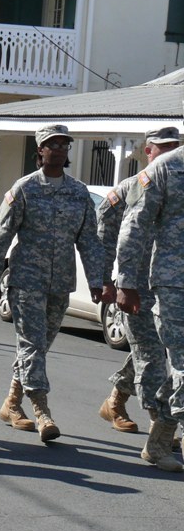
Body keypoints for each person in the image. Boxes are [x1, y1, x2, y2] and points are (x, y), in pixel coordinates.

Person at [0, 125, 104, 442]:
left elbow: (89, 241)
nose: (59, 150)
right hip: (26, 282)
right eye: (52, 145)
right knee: (32, 347)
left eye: (64, 145)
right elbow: (2, 236)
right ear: (39, 150)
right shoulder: (24, 189)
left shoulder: (78, 193)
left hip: (60, 283)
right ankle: (42, 411)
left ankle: (11, 403)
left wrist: (97, 281)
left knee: (38, 348)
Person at [96, 127, 180, 434]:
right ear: (149, 150)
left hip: (169, 287)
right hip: (137, 287)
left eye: (175, 146)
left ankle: (115, 400)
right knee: (151, 354)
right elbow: (104, 234)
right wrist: (106, 279)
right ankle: (160, 424)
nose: (171, 153)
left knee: (153, 351)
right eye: (164, 147)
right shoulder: (130, 188)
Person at [116, 141, 184, 472]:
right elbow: (135, 224)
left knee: (179, 367)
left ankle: (158, 442)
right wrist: (126, 282)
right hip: (174, 281)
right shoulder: (165, 168)